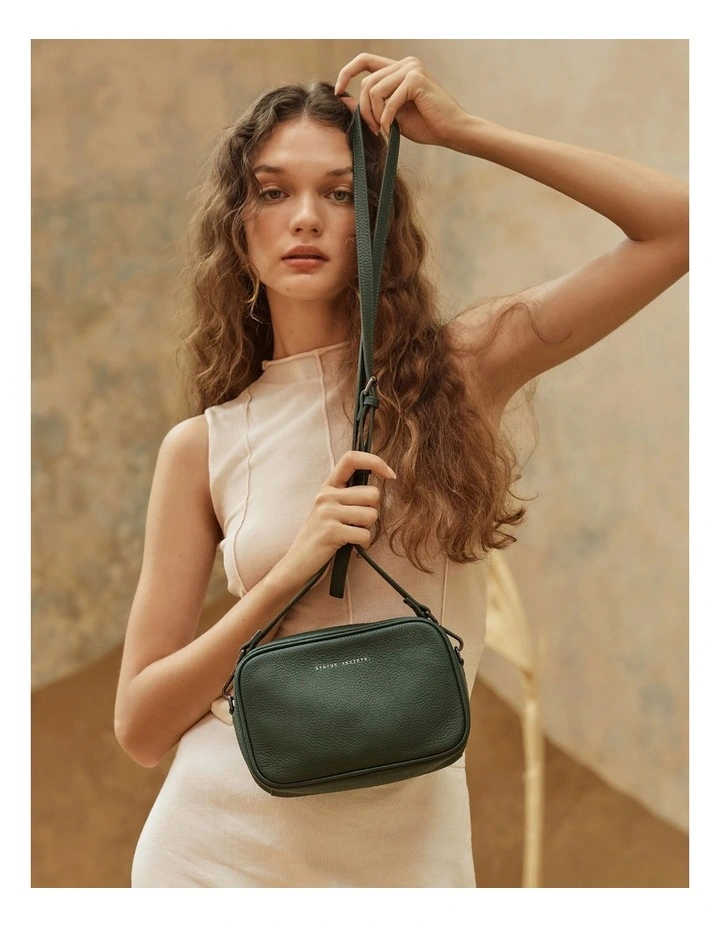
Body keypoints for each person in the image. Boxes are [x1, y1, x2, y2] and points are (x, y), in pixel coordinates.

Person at [114, 53, 689, 888]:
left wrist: (464, 131)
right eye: (272, 192)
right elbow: (140, 727)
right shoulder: (203, 445)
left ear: (376, 217)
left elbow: (681, 228)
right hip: (218, 853)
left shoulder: (459, 371)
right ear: (238, 227)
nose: (304, 218)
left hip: (411, 859)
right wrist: (289, 574)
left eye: (339, 192)